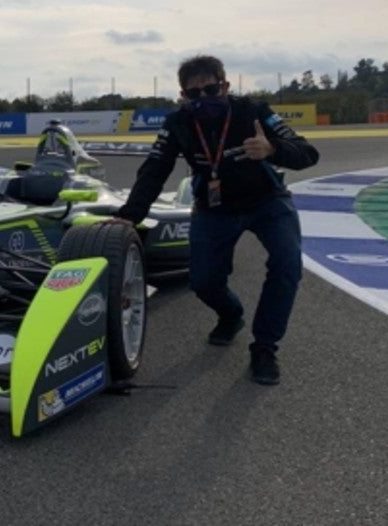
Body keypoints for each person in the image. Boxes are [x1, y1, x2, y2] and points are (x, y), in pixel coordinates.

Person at [110, 55, 319, 385]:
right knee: (203, 282)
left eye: (210, 89)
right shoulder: (177, 122)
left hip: (267, 202)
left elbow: (307, 153)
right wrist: (129, 216)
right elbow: (155, 169)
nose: (203, 98)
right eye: (194, 94)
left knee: (288, 264)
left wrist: (272, 149)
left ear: (225, 86)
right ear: (183, 96)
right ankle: (231, 314)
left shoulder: (253, 111)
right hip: (214, 207)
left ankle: (265, 347)